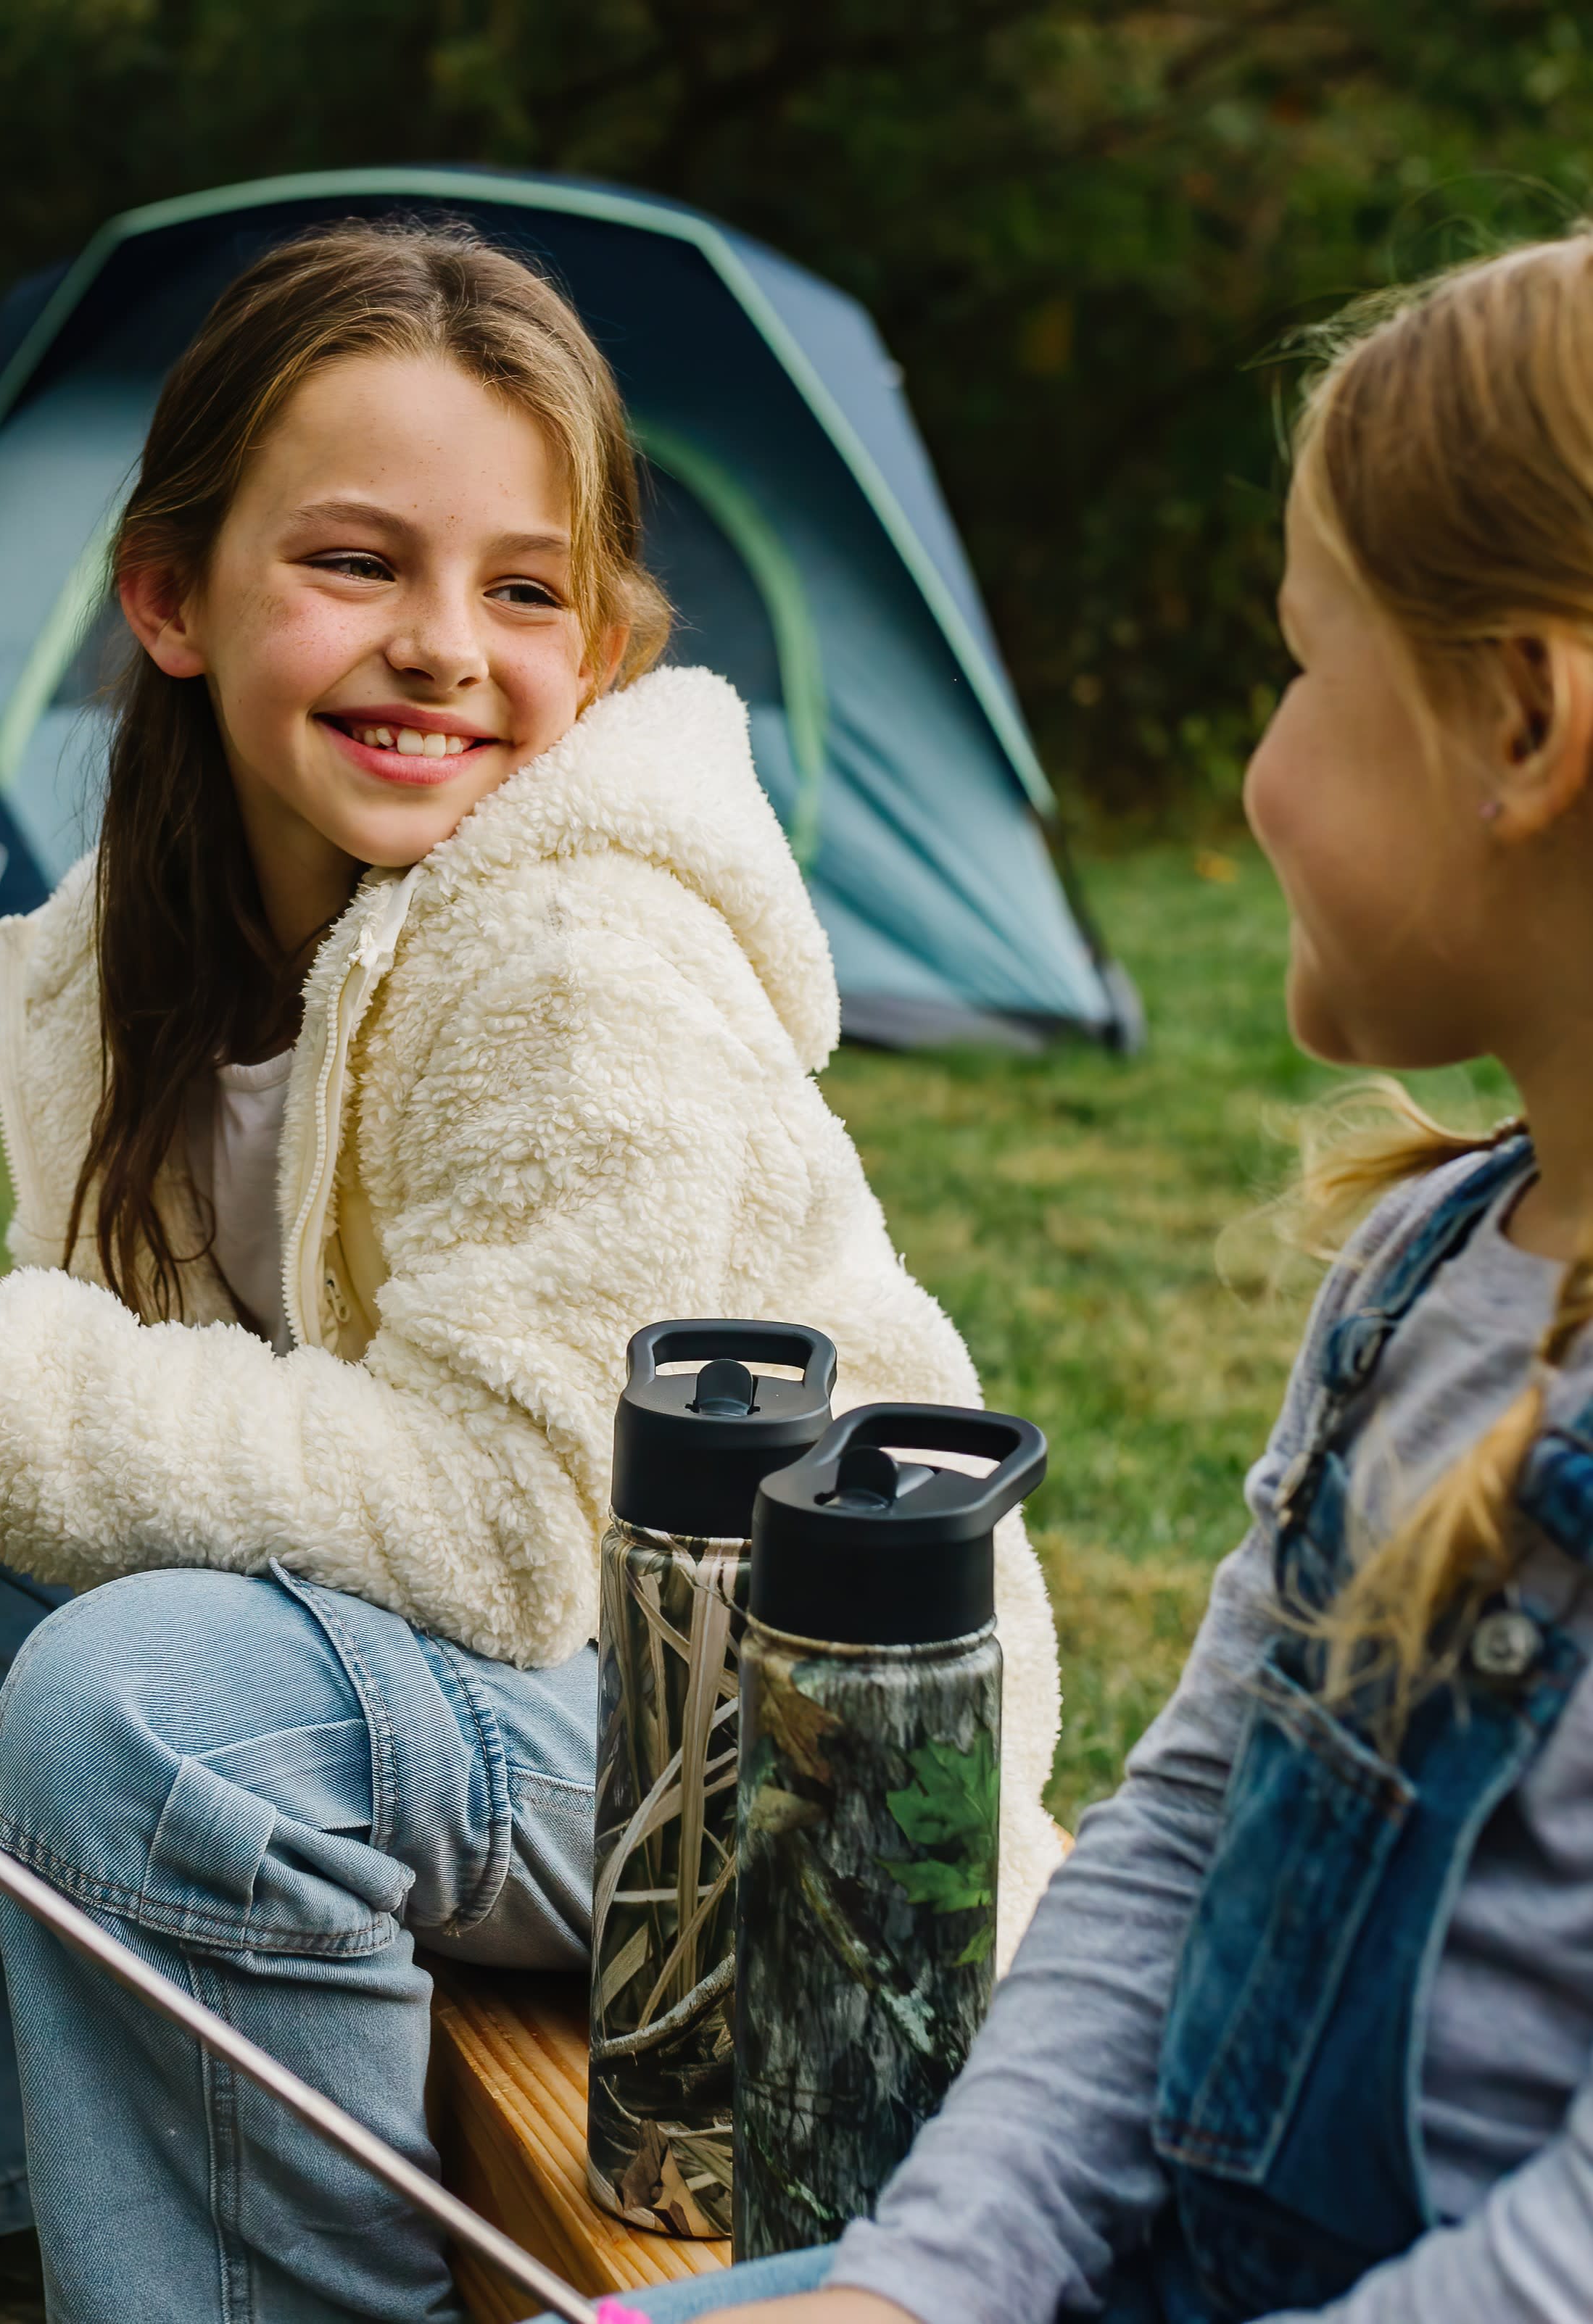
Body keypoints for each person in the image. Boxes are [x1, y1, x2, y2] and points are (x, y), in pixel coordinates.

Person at [0, 218, 1062, 2324]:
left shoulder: (574, 955)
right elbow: (169, 1397)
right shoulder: (140, 945)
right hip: (510, 1702)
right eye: (358, 565)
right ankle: (53, 2213)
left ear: (607, 644)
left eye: (524, 588)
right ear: (170, 599)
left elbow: (518, 1537)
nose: (447, 644)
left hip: (773, 1770)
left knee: (154, 1715)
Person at [587, 233, 1593, 2324]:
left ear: (1519, 718)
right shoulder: (1419, 1278)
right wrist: (921, 2290)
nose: (1258, 773)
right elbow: (1178, 1853)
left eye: (1303, 670)